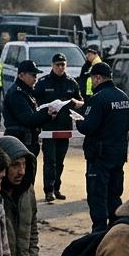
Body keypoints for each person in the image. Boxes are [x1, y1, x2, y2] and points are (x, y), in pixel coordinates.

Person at [77, 62, 129, 232]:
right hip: (118, 154)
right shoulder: (123, 97)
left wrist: (79, 121)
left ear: (98, 78)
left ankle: (99, 231)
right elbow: (127, 124)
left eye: (92, 79)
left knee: (97, 196)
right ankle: (117, 229)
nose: (92, 82)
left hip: (99, 156)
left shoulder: (98, 98)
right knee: (114, 195)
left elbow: (88, 127)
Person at [34, 53, 84, 202]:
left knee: (60, 160)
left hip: (64, 127)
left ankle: (57, 188)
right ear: (52, 65)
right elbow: (35, 101)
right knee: (50, 160)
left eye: (63, 65)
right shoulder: (43, 82)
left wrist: (76, 103)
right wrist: (45, 111)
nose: (61, 67)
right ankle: (48, 190)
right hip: (49, 127)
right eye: (58, 65)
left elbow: (81, 101)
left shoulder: (71, 82)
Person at [3, 60, 57, 171]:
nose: (35, 78)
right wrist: (47, 114)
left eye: (36, 75)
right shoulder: (17, 94)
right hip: (20, 143)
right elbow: (27, 119)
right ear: (21, 75)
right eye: (32, 75)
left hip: (28, 143)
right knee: (21, 176)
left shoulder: (26, 92)